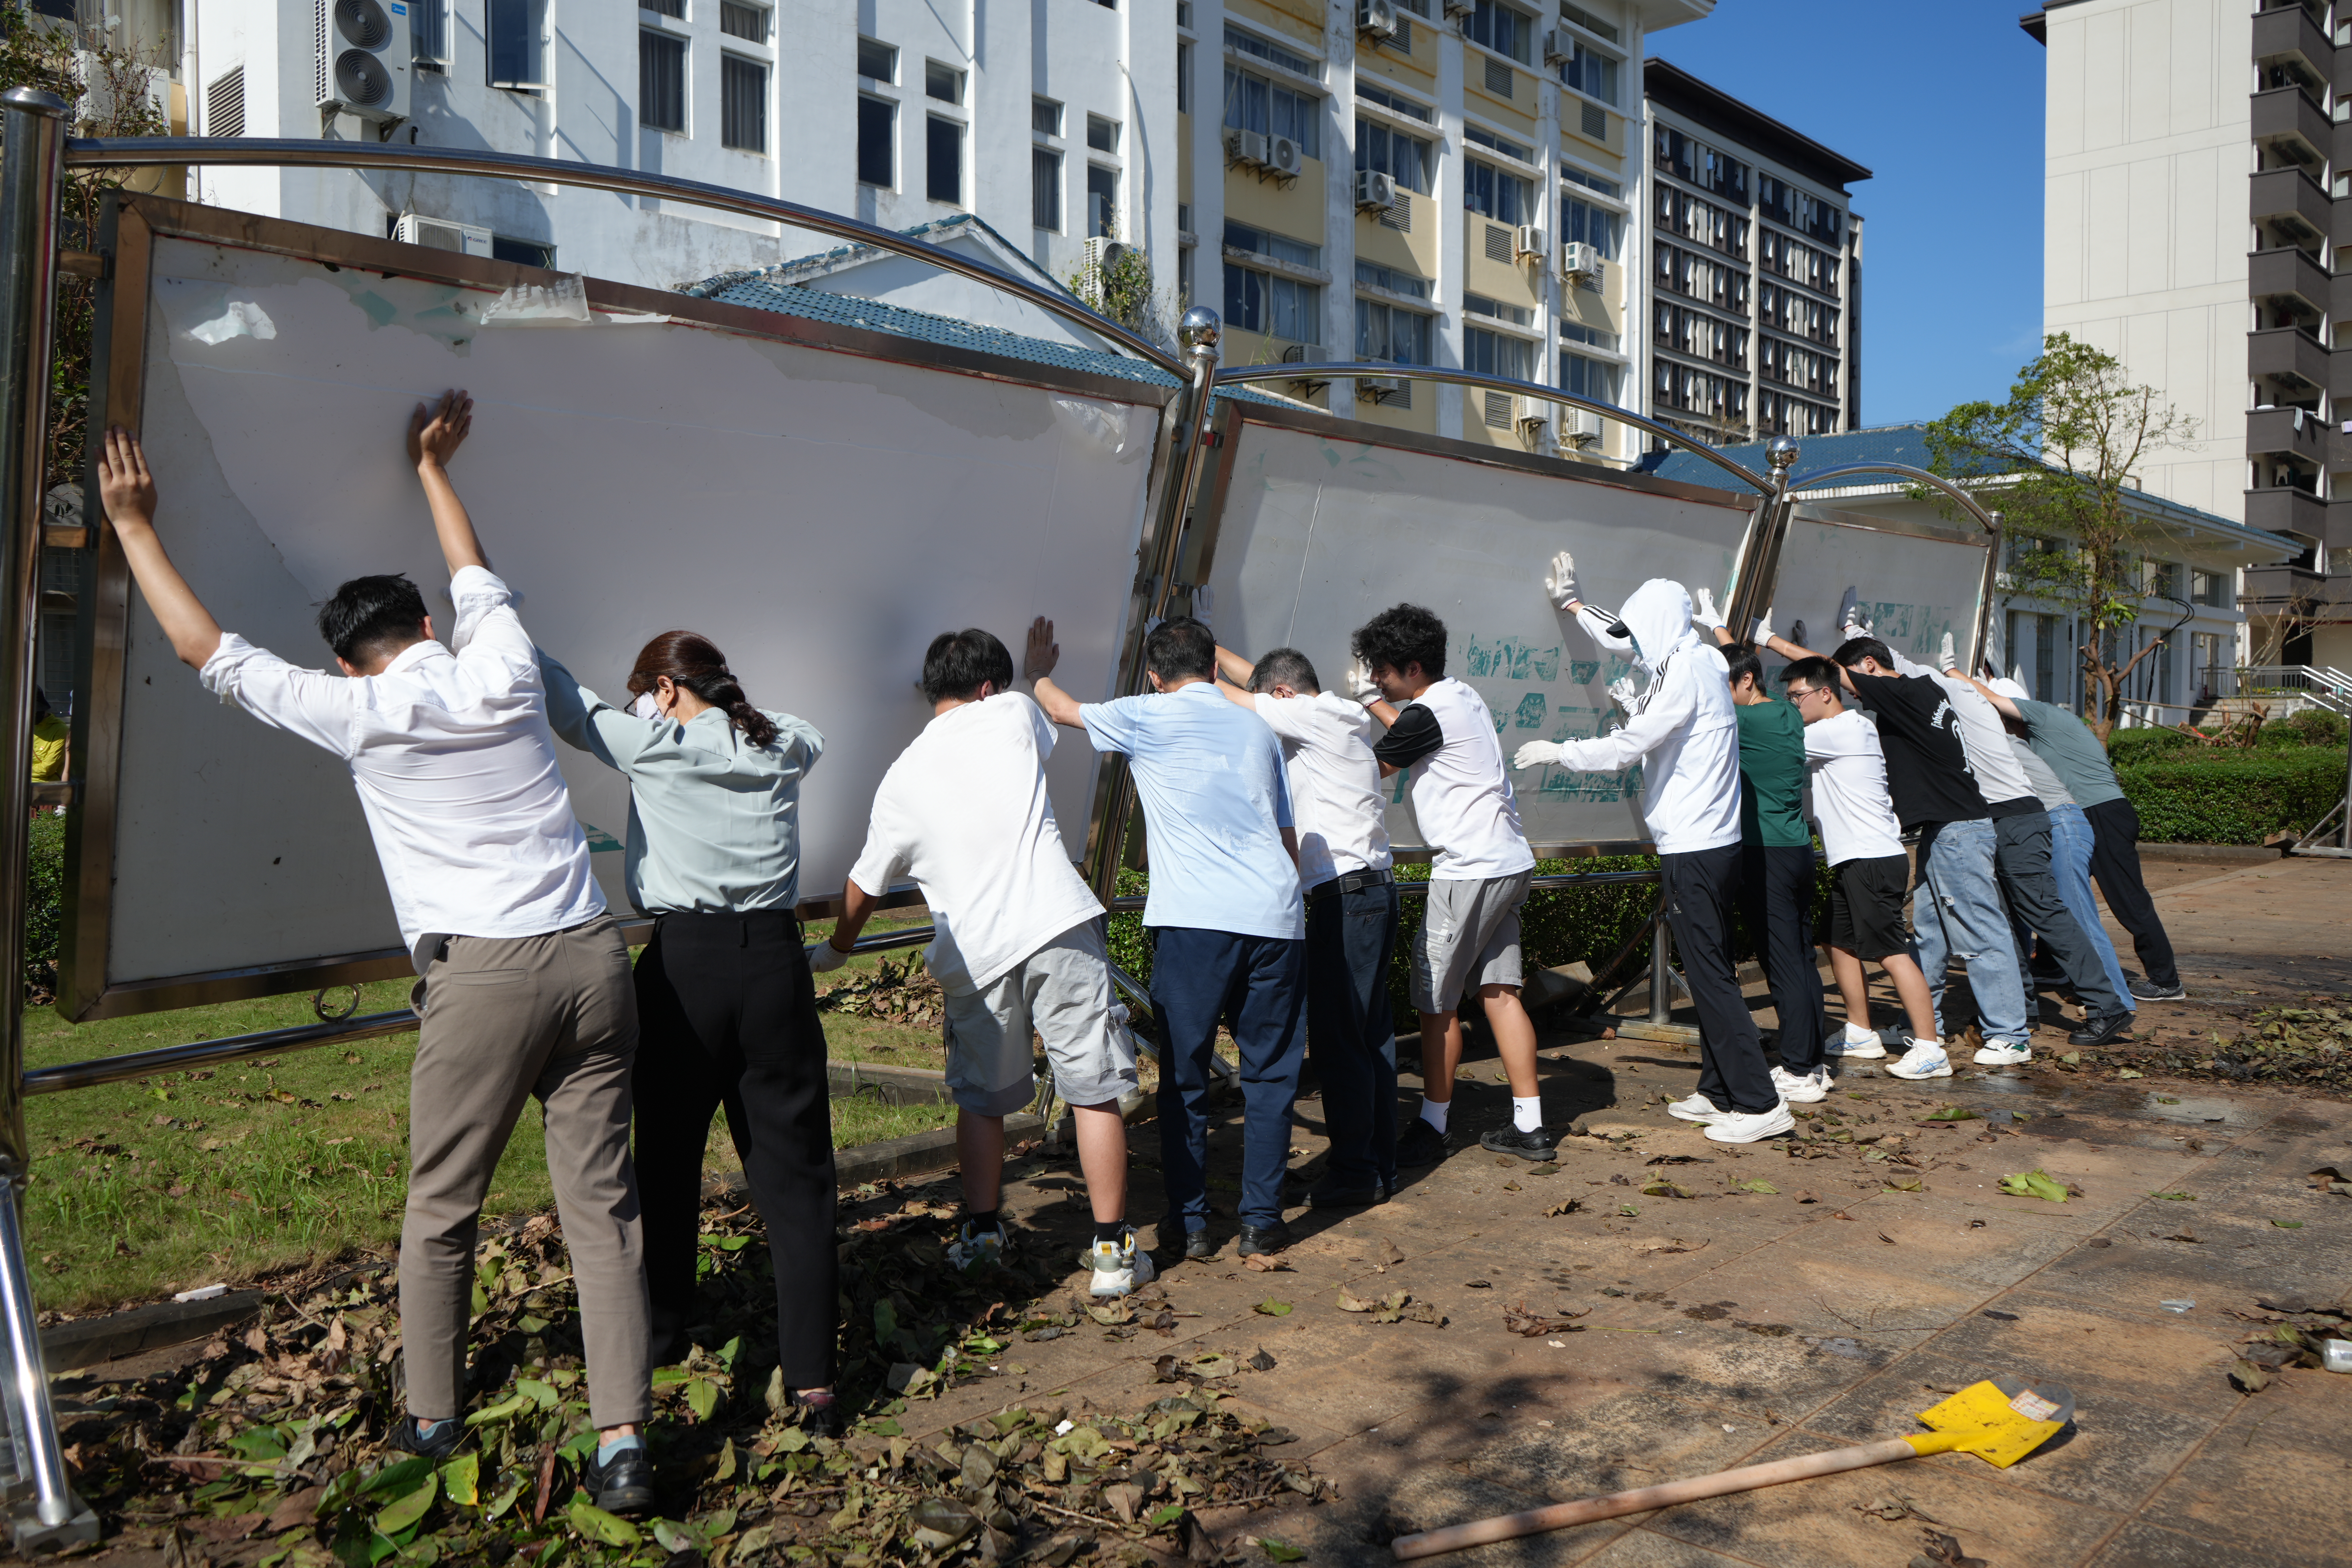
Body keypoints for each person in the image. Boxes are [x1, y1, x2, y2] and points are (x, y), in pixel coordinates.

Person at [94, 398, 654, 1514]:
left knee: (442, 1206)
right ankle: (625, 1442)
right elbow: (476, 573)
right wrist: (432, 468)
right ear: (429, 629)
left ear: (351, 665)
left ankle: (435, 1416)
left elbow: (203, 650)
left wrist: (135, 525)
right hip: (594, 959)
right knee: (603, 1208)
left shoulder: (357, 715)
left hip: (485, 977)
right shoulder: (497, 663)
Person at [536, 630, 842, 1433]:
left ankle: (664, 1330)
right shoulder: (785, 746)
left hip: (686, 969)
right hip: (777, 968)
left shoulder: (653, 746)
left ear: (667, 690)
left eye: (648, 694)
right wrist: (729, 706)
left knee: (666, 1160)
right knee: (800, 1177)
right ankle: (814, 1380)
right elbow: (804, 729)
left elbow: (570, 706)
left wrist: (503, 616)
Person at [820, 624, 1149, 1294]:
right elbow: (1035, 705)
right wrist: (1037, 671)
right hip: (1057, 924)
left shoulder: (902, 775)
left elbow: (864, 884)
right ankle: (1113, 1254)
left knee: (983, 1099)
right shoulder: (1015, 711)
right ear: (991, 687)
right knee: (1093, 1091)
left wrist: (836, 949)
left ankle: (980, 1233)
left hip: (976, 953)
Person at [1032, 616, 1305, 1260]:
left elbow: (1064, 711)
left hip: (1194, 921)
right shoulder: (1256, 726)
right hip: (1274, 915)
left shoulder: (1147, 714)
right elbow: (1287, 836)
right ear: (1213, 667)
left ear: (1156, 677)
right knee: (1269, 1075)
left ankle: (1190, 1224)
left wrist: (1035, 669)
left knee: (1183, 1073)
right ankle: (1262, 1222)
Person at [1517, 563, 1788, 1144]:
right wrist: (1574, 607)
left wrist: (1561, 751)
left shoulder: (1682, 671)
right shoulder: (1702, 659)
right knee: (1709, 966)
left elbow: (1628, 746)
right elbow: (1623, 637)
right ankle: (1718, 1090)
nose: (1633, 643)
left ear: (1660, 627)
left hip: (1693, 845)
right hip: (1713, 841)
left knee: (1710, 976)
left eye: (1642, 631)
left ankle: (1759, 1101)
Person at [1755, 611, 2019, 1082]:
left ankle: (1995, 1037)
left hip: (1944, 832)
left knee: (1960, 937)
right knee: (1912, 938)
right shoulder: (1924, 691)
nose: (1858, 694)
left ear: (1869, 671)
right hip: (1938, 830)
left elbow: (1828, 677)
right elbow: (1855, 669)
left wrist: (1768, 640)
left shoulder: (1881, 707)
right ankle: (1876, 1030)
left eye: (1857, 684)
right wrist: (1852, 634)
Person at [1858, 609, 2127, 1055]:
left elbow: (1903, 669)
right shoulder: (1956, 704)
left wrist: (1873, 644)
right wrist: (1859, 635)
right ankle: (2022, 1012)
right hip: (1999, 819)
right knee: (2005, 921)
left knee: (2044, 913)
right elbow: (1901, 669)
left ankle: (2106, 1003)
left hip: (2020, 818)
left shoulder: (1957, 700)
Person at [1347, 602, 1543, 1165]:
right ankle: (1528, 1125)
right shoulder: (1460, 696)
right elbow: (1410, 730)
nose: (1375, 678)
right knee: (1500, 992)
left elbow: (1376, 764)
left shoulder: (1429, 714)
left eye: (1380, 670)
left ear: (1410, 668)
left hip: (1467, 869)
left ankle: (1432, 1125)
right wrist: (1373, 701)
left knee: (1436, 1003)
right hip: (1506, 859)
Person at [1210, 639, 1397, 1207]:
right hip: (1371, 891)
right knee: (1370, 1035)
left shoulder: (1309, 717)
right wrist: (1213, 643)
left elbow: (1226, 693)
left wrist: (1191, 659)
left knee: (1341, 1040)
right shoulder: (1335, 712)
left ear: (1285, 696)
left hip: (1345, 898)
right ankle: (1377, 1164)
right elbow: (1260, 680)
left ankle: (1352, 1174)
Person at [1975, 676, 2183, 1002]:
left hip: (2101, 812)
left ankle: (2165, 980)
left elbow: (1992, 698)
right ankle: (2051, 965)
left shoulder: (2042, 716)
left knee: (2127, 900)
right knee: (2055, 890)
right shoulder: (2030, 736)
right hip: (2084, 813)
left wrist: (1954, 675)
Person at [1778, 657, 1943, 1062]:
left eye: (1797, 696)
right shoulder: (1846, 728)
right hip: (1856, 858)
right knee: (1837, 943)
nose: (1792, 706)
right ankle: (1860, 1031)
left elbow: (1769, 738)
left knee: (1890, 951)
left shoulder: (1840, 731)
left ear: (1826, 692)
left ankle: (1930, 1048)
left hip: (1869, 858)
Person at [1698, 600, 1827, 1103]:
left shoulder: (1740, 725)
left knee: (1783, 963)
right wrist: (1720, 631)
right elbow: (1741, 666)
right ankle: (1814, 1062)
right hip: (1796, 850)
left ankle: (1796, 1070)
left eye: (1722, 688)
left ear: (1745, 685)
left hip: (1766, 854)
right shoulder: (1787, 715)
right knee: (1801, 956)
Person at [29, 687, 66, 785]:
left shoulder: (60, 729)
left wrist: (20, 771)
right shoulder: (23, 727)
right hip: (20, 782)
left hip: (46, 786)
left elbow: (48, 768)